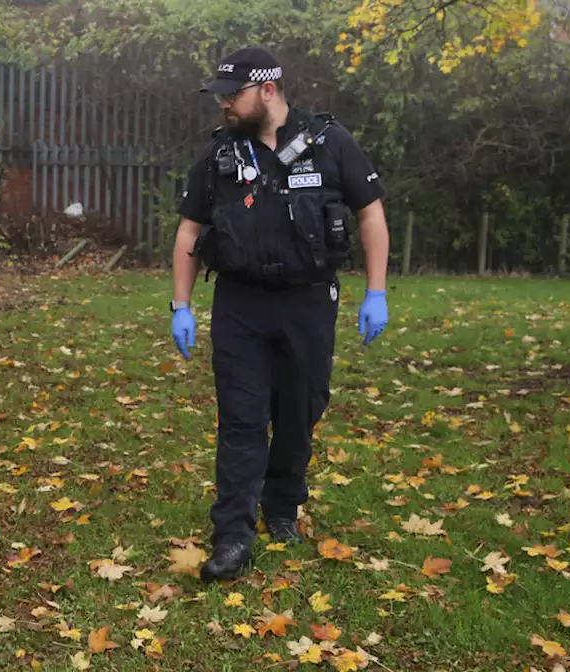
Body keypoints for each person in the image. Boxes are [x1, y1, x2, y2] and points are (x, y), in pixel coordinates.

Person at [168, 47, 390, 582]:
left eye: (233, 93)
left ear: (267, 90)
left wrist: (376, 291)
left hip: (309, 303)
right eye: (220, 94)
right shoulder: (220, 156)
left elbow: (371, 214)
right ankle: (233, 535)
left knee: (299, 411)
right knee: (242, 419)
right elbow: (188, 232)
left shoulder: (329, 144)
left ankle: (283, 504)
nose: (223, 103)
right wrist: (181, 305)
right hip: (241, 305)